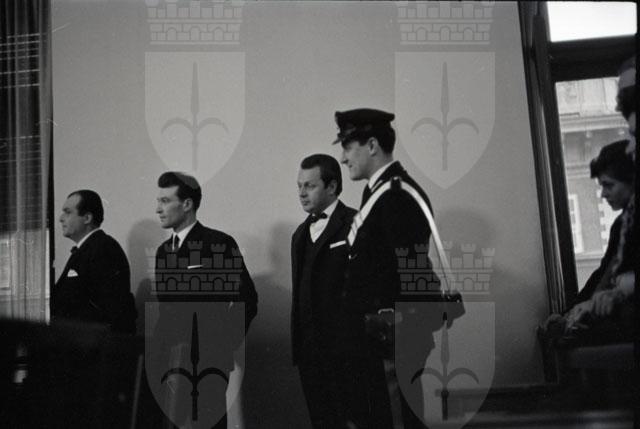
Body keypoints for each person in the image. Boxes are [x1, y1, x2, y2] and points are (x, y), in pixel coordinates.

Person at [334, 108, 441, 428]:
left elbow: (409, 268)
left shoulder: (396, 194)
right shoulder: (380, 192)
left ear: (372, 145)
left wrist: (394, 333)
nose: (343, 157)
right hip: (378, 335)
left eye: (348, 147)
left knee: (396, 419)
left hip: (391, 336)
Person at [151, 172, 258, 429]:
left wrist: (223, 343)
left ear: (187, 204)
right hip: (170, 360)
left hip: (208, 361)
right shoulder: (163, 252)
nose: (158, 209)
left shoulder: (218, 243)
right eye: (158, 201)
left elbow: (247, 298)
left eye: (165, 201)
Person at [544, 140, 634, 345]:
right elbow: (604, 272)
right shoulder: (622, 222)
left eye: (609, 185)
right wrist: (570, 310)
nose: (603, 194)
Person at [291, 154, 357, 429]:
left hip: (348, 352)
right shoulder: (299, 234)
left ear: (331, 187)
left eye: (310, 185)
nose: (302, 193)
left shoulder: (356, 222)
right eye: (299, 186)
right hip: (310, 353)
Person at [51, 189, 136, 334]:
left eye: (68, 212)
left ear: (87, 218)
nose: (61, 218)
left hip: (92, 343)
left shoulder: (104, 248)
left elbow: (108, 309)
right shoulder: (89, 248)